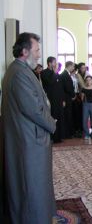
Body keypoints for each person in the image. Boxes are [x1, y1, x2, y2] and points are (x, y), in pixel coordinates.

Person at [2, 32, 57, 223]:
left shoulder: (20, 70)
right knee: (31, 187)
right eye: (37, 50)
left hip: (29, 137)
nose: (39, 54)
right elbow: (33, 109)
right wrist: (52, 124)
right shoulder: (18, 73)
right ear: (25, 51)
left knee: (35, 186)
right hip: (28, 140)